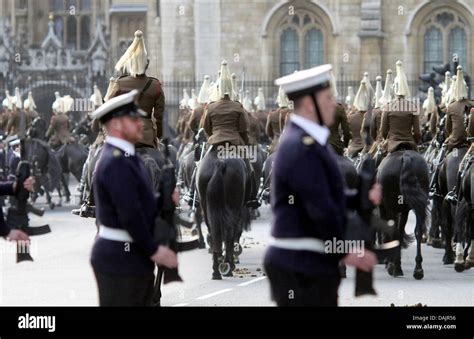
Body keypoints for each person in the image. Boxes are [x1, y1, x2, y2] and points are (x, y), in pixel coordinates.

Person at [264, 64, 380, 307]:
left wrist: (359, 197)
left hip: (309, 260)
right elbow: (319, 206)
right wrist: (346, 249)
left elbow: (327, 195)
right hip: (301, 263)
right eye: (328, 98)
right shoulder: (300, 145)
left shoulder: (312, 141)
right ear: (309, 104)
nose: (333, 104)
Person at [90, 90, 178, 307]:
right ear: (117, 125)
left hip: (131, 256)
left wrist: (162, 200)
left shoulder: (129, 157)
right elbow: (130, 214)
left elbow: (139, 203)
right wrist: (154, 250)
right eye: (134, 119)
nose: (141, 123)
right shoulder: (116, 160)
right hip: (120, 257)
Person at [201, 60, 259, 209]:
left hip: (214, 143)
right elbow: (244, 129)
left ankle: (197, 195)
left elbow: (206, 128)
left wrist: (212, 137)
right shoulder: (238, 107)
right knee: (250, 169)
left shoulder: (211, 107)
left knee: (200, 166)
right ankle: (252, 197)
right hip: (234, 145)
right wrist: (244, 142)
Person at [108, 30, 165, 148]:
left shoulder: (120, 83)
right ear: (147, 64)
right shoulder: (156, 85)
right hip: (148, 138)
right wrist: (158, 135)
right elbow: (159, 116)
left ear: (130, 64)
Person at [445, 66, 473, 203]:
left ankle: (448, 191)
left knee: (442, 163)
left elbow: (447, 128)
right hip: (470, 145)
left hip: (456, 143)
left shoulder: (451, 107)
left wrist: (450, 138)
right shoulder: (472, 105)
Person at [380, 61, 421, 153]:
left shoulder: (388, 107)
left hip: (392, 144)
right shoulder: (413, 107)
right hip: (410, 143)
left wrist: (387, 139)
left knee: (378, 163)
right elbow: (417, 132)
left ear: (394, 89)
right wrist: (415, 141)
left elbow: (383, 130)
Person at [327, 73, 351, 156]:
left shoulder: (316, 108)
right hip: (335, 145)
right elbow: (347, 131)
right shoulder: (339, 108)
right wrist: (345, 145)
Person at [266, 86, 292, 153]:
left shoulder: (272, 115)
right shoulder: (295, 113)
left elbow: (268, 132)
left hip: (276, 145)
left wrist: (275, 137)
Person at [347, 80, 368, 158]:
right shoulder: (372, 115)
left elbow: (347, 134)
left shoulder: (351, 117)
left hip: (354, 147)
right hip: (369, 148)